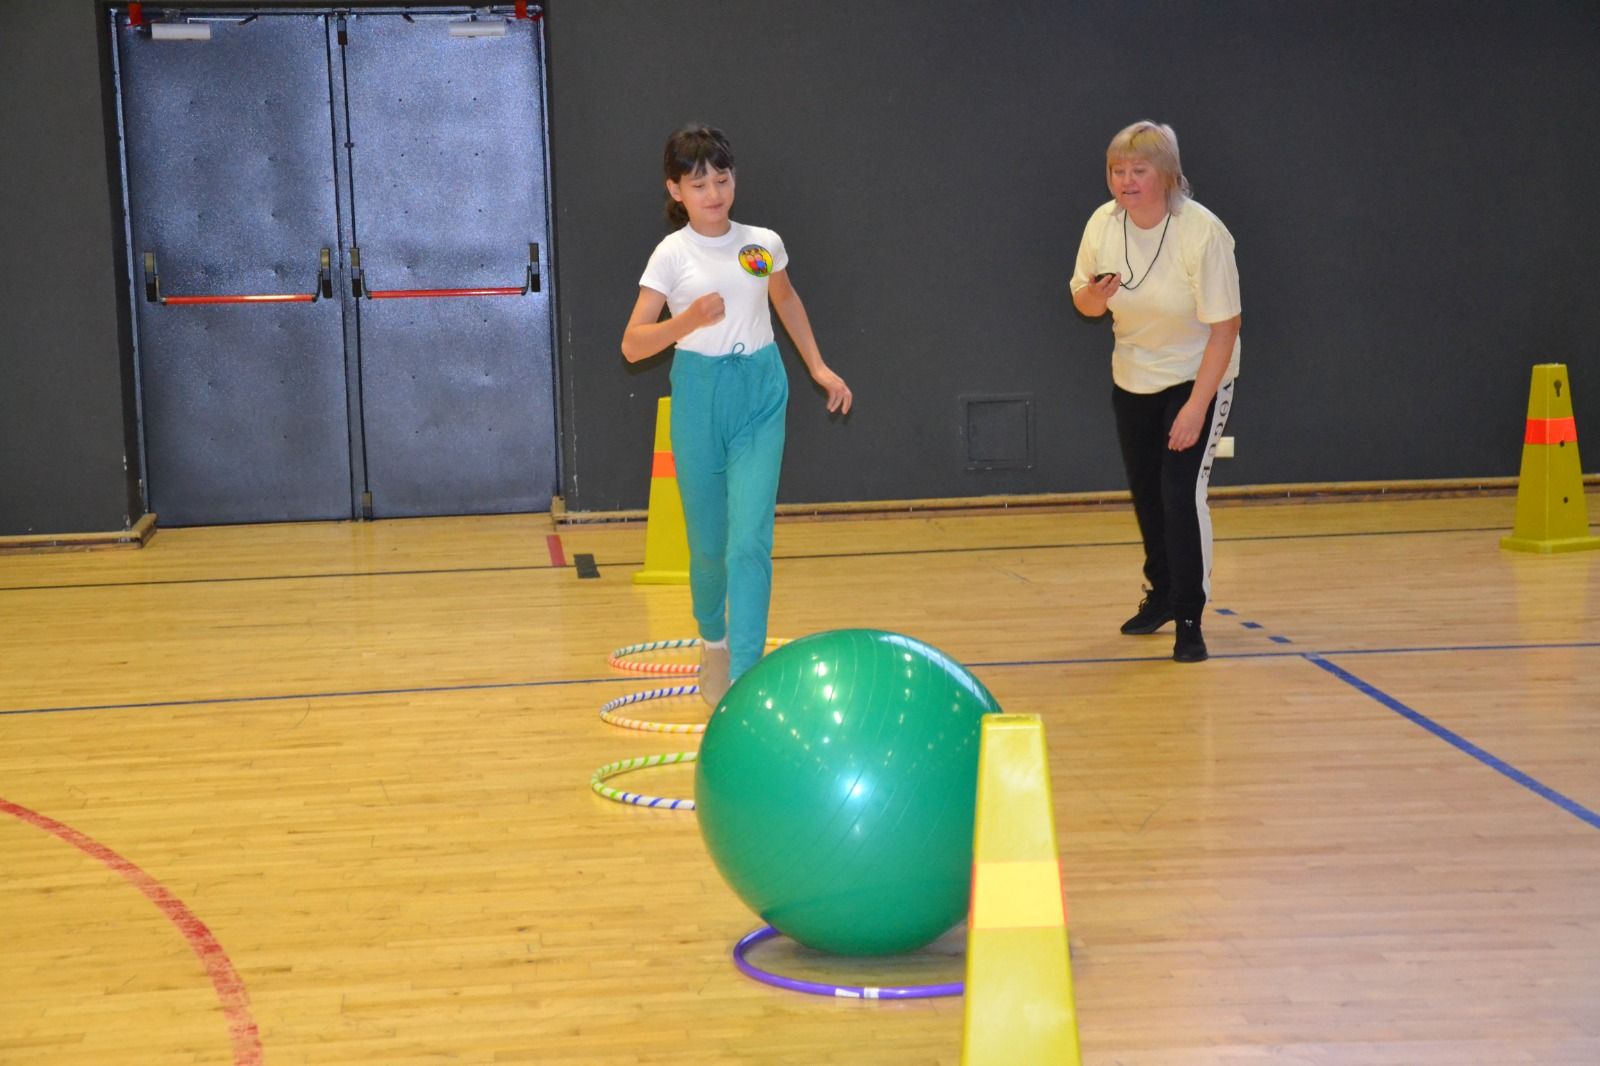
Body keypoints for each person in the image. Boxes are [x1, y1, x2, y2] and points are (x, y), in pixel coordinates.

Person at [621, 125, 852, 703]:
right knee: (708, 547)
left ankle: (746, 676)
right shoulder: (671, 254)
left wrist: (819, 367)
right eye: (698, 184)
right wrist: (687, 320)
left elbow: (786, 299)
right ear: (675, 190)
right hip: (700, 397)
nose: (713, 193)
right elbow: (632, 345)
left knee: (749, 541)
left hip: (761, 392)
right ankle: (715, 641)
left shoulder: (763, 242)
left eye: (722, 180)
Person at [1069, 121, 1241, 663]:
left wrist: (1195, 408)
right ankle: (1162, 593)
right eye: (1117, 171)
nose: (1126, 180)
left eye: (1138, 170)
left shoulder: (1202, 232)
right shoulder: (1102, 224)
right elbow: (1083, 302)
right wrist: (1096, 296)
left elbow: (1225, 329)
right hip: (1134, 374)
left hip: (1197, 374)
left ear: (1165, 175)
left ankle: (1190, 617)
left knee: (1179, 494)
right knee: (1147, 494)